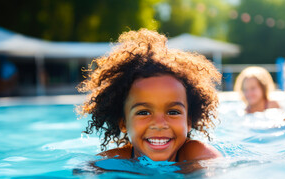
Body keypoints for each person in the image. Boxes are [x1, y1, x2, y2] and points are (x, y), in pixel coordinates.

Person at [76, 28, 222, 168]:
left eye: (173, 112)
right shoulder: (112, 161)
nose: (159, 124)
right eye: (143, 112)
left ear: (188, 121)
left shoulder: (198, 155)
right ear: (124, 123)